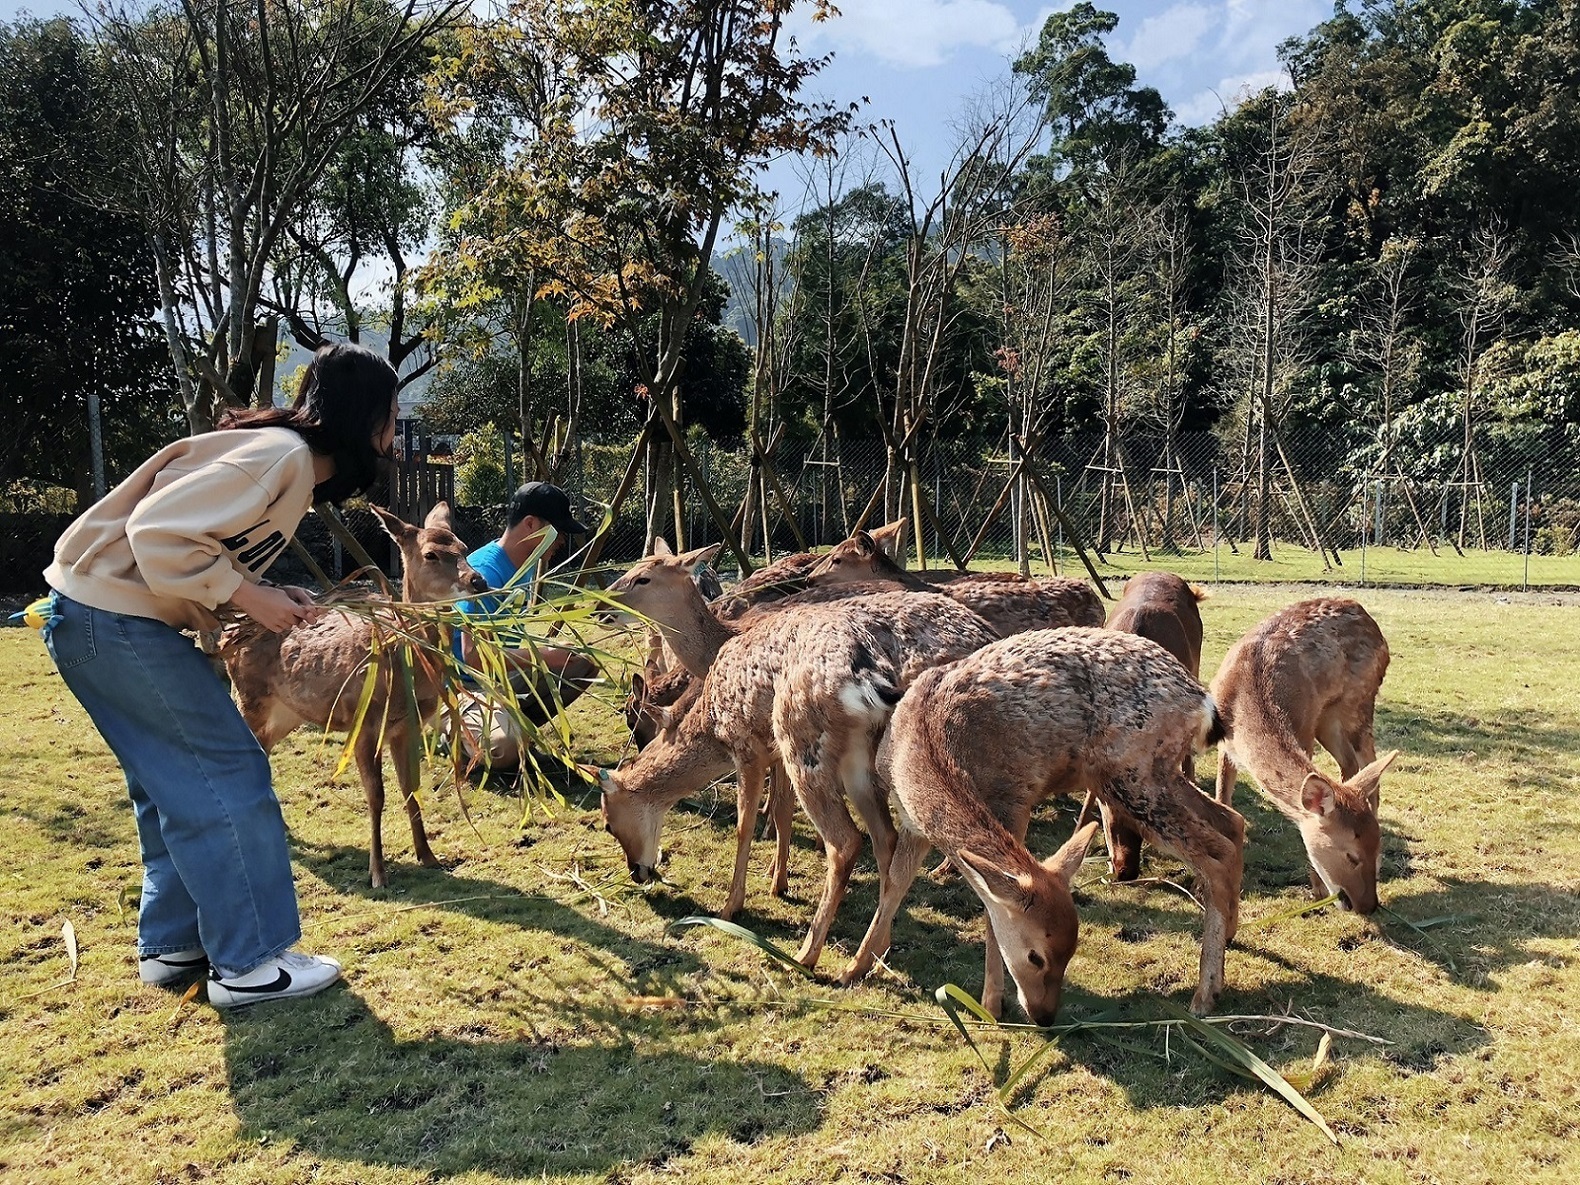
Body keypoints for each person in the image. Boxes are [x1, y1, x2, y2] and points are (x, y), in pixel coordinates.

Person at [42, 342, 401, 1008]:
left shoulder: (285, 463)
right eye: (392, 416)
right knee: (230, 769)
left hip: (100, 618)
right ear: (365, 417)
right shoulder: (282, 458)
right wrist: (247, 594)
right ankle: (251, 960)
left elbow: (203, 546)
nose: (395, 434)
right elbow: (158, 532)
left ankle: (175, 942)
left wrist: (267, 591)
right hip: (113, 618)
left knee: (174, 783)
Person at [450, 481, 599, 770]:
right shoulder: (484, 574)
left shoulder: (525, 565)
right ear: (531, 525)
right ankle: (468, 736)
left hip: (500, 682)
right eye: (556, 532)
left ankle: (509, 727)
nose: (560, 542)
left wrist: (553, 655)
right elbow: (474, 658)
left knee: (583, 665)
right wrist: (543, 655)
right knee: (504, 747)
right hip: (465, 687)